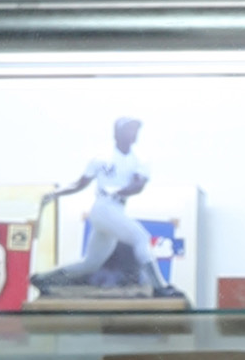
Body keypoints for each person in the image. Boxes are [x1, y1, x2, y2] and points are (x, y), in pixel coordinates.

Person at [34, 117, 161, 295]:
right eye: (129, 129)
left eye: (135, 129)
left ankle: (43, 279)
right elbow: (79, 184)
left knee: (91, 263)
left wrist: (119, 191)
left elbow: (137, 186)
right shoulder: (102, 157)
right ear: (117, 133)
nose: (133, 133)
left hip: (115, 208)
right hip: (103, 207)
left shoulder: (140, 159)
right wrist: (56, 193)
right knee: (141, 237)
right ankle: (159, 287)